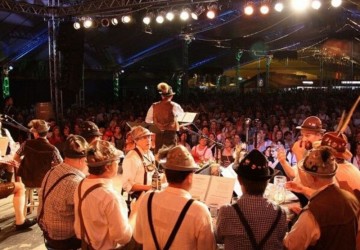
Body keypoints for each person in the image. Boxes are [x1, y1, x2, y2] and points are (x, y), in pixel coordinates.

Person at [134, 145, 216, 250]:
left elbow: (139, 237)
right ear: (190, 178)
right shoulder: (199, 211)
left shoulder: (148, 198)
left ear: (166, 174)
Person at [284, 146, 359, 249]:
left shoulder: (312, 214)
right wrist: (303, 214)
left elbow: (291, 245)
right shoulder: (351, 199)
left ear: (312, 178)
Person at [216, 149, 287, 249]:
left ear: (239, 180)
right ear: (267, 182)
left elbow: (218, 238)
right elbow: (281, 238)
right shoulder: (281, 213)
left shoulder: (226, 212)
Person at [74, 140, 138, 250]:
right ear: (108, 167)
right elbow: (123, 237)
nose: (118, 165)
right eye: (117, 161)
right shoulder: (110, 197)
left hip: (87, 246)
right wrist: (134, 213)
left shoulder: (81, 184)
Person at [37, 135, 88, 249]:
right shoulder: (76, 182)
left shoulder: (53, 170)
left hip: (46, 230)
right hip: (64, 239)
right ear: (82, 160)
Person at [14, 119, 63, 188]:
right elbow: (60, 165)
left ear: (36, 133)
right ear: (46, 132)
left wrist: (24, 161)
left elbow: (15, 158)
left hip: (26, 179)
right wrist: (50, 164)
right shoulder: (53, 149)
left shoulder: (26, 144)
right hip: (42, 182)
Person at [145, 82, 184, 153]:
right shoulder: (174, 106)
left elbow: (148, 120)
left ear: (162, 96)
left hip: (158, 134)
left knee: (158, 155)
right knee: (170, 156)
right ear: (171, 96)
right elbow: (183, 118)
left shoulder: (154, 106)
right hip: (170, 135)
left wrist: (158, 125)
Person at [122, 126, 156, 199]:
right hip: (139, 197)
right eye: (144, 138)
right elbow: (127, 185)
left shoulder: (150, 154)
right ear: (136, 141)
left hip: (151, 193)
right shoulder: (131, 157)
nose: (148, 140)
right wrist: (150, 187)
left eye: (149, 137)